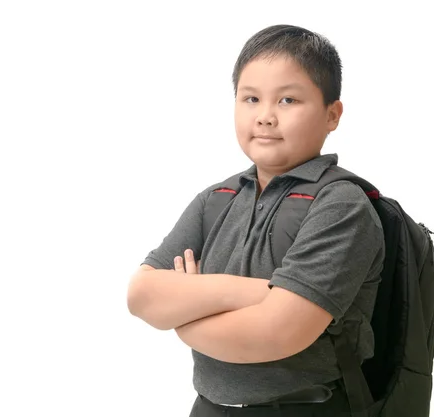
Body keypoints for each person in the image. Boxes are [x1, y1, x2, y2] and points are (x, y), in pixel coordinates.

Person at [127, 24, 385, 416]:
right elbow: (141, 295)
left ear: (332, 114)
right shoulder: (218, 199)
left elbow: (277, 333)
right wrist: (257, 292)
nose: (265, 117)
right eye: (250, 98)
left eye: (287, 100)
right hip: (210, 407)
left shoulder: (340, 205)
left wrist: (185, 319)